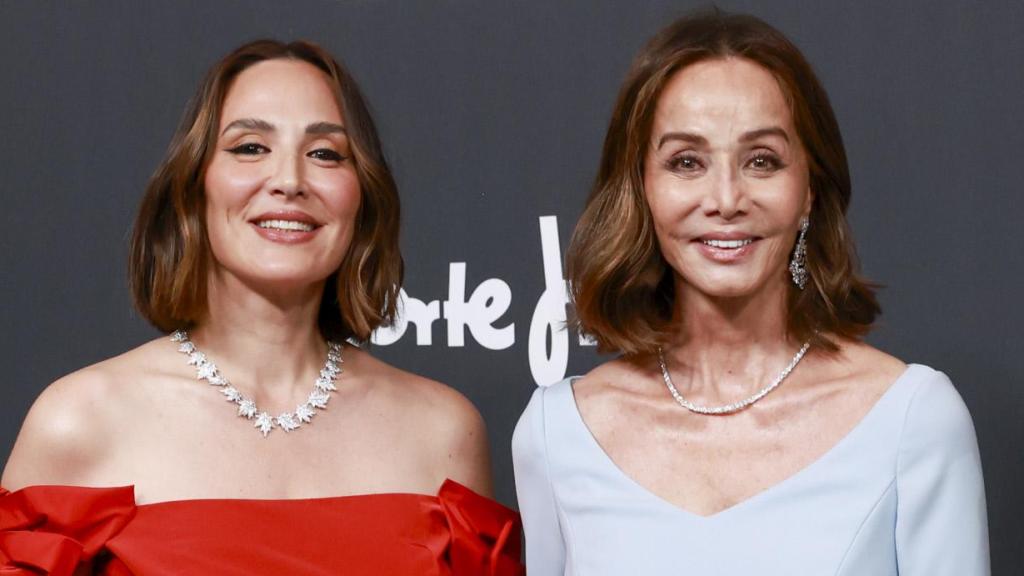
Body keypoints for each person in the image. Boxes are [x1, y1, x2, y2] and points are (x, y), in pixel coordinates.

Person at [1, 39, 522, 575]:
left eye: (325, 153)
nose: (290, 181)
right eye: (250, 147)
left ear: (361, 195)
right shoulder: (79, 421)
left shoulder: (442, 432)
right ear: (193, 185)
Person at [512, 10, 988, 575]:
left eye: (762, 160)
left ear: (808, 189)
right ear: (642, 188)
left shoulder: (913, 420)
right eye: (686, 162)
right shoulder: (558, 433)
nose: (726, 198)